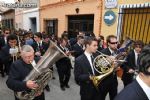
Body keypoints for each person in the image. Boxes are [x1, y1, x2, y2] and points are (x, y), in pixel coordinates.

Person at [100, 35, 118, 100]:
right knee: (101, 97)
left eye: (116, 42)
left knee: (114, 97)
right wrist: (109, 62)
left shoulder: (118, 51)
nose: (115, 44)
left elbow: (120, 64)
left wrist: (119, 64)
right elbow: (100, 68)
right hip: (105, 81)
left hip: (114, 80)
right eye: (113, 43)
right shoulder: (103, 52)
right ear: (108, 43)